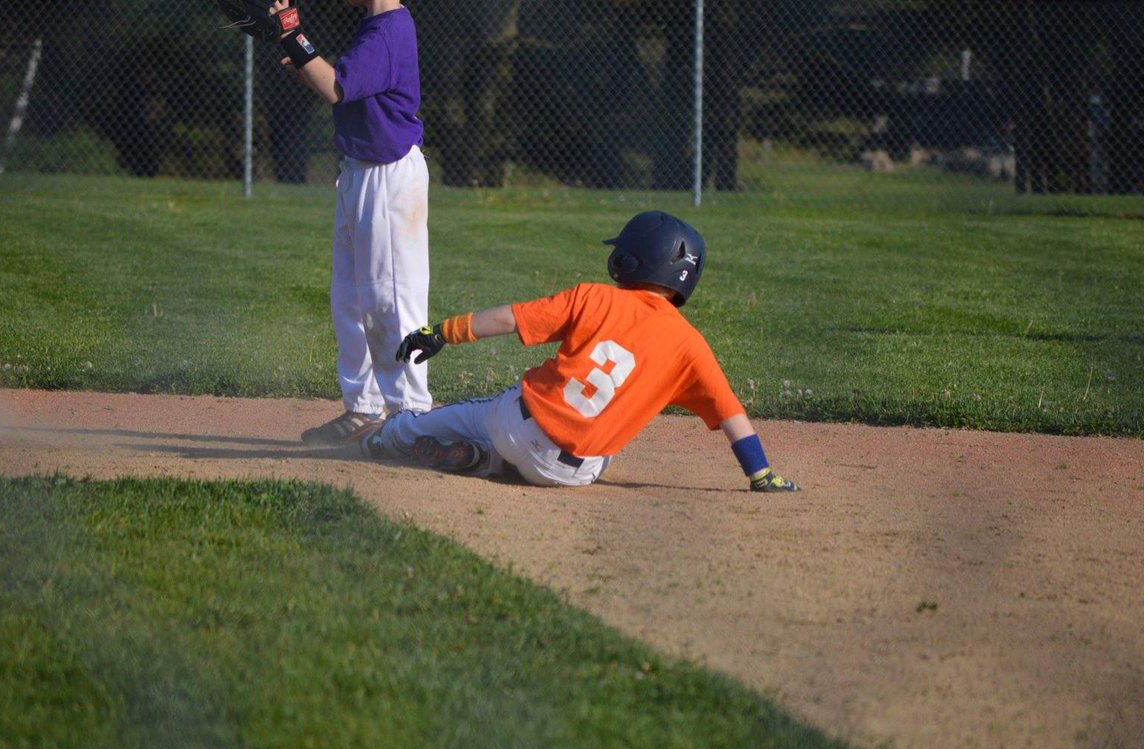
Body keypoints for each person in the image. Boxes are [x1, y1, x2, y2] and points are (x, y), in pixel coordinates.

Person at [356, 211, 800, 492]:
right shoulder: (691, 347)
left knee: (448, 418)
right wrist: (760, 474)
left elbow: (511, 319)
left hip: (516, 423)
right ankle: (480, 461)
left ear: (629, 261)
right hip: (574, 474)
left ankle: (386, 438)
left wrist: (442, 332)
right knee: (548, 458)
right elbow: (731, 415)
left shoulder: (595, 297)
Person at [267, 0, 432, 445]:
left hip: (388, 176)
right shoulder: (373, 26)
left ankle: (411, 418)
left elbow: (338, 88)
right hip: (360, 172)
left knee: (390, 301)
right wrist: (304, 66)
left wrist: (291, 32)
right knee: (351, 301)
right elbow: (341, 88)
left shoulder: (388, 30)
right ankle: (363, 409)